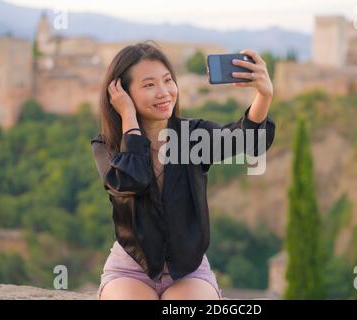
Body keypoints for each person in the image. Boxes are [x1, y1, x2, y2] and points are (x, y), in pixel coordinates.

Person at [91, 41, 276, 300]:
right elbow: (131, 180)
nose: (164, 92)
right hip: (131, 270)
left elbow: (247, 141)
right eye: (149, 85)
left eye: (168, 80)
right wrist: (129, 121)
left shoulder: (192, 137)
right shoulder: (107, 146)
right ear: (121, 93)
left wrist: (264, 95)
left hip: (188, 271)